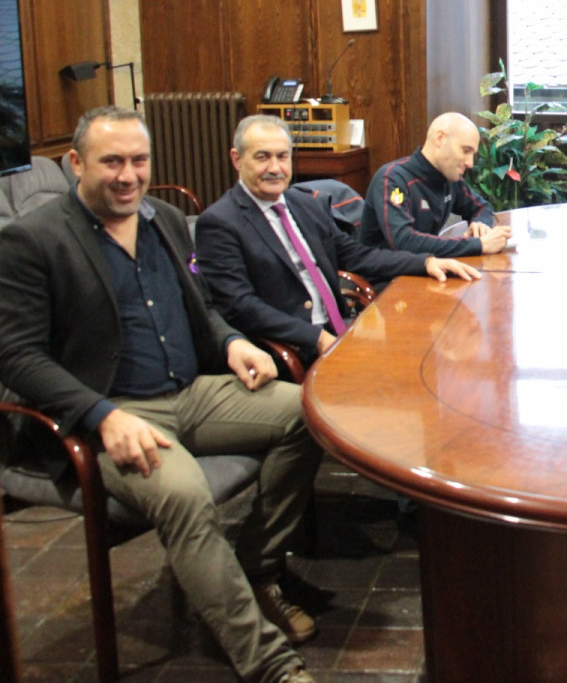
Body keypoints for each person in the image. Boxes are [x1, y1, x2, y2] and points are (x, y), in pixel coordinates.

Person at [0, 107, 322, 683]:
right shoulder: (32, 241)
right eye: (112, 162)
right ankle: (268, 663)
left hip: (191, 392)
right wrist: (101, 416)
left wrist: (229, 344)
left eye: (138, 160)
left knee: (309, 415)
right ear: (75, 163)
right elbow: (17, 357)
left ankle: (252, 570)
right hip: (110, 413)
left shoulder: (168, 220)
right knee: (185, 492)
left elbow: (205, 308)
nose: (128, 175)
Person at [195, 115, 481, 366]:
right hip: (289, 348)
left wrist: (426, 262)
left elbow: (357, 254)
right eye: (262, 157)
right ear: (236, 159)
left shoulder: (304, 204)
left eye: (282, 157)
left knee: (422, 359)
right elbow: (240, 306)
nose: (275, 167)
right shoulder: (220, 222)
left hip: (341, 328)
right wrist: (316, 337)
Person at [359, 112, 511, 256]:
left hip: (425, 268)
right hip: (386, 278)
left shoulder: (448, 176)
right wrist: (478, 245)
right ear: (440, 139)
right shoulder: (393, 180)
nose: (470, 163)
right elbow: (404, 241)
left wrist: (480, 224)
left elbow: (481, 206)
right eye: (466, 151)